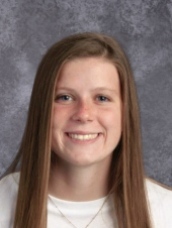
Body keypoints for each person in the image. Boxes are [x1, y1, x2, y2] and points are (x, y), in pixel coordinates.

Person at [0, 32, 172, 228]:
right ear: (42, 110)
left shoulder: (166, 211)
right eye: (65, 97)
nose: (83, 114)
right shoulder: (3, 206)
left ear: (125, 112)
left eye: (102, 98)